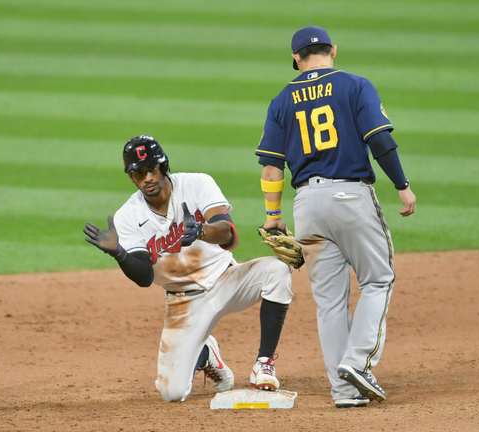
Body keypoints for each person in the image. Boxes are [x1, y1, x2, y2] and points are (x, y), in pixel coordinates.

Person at [255, 26, 416, 408]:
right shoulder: (355, 85)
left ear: (296, 58)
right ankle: (357, 362)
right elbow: (379, 139)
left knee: (330, 301)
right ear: (334, 51)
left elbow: (271, 169)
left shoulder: (282, 100)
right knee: (378, 279)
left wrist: (273, 217)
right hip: (351, 197)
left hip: (306, 205)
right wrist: (402, 184)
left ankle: (344, 391)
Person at [84, 135, 294, 402]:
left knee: (277, 271)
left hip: (227, 278)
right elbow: (145, 277)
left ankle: (264, 363)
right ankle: (205, 354)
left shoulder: (196, 184)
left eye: (151, 169)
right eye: (138, 173)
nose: (147, 178)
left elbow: (229, 234)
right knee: (172, 393)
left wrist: (202, 231)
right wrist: (119, 253)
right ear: (131, 178)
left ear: (163, 166)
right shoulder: (128, 216)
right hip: (182, 301)